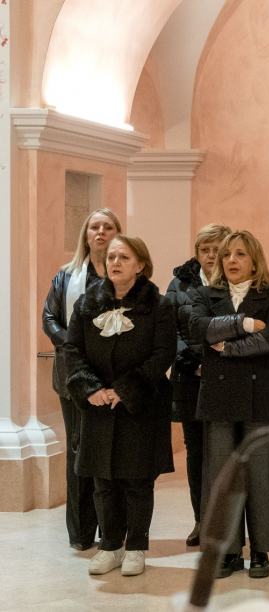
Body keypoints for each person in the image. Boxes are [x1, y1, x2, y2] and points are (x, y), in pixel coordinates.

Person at [63, 235, 175, 576]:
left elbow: (162, 354)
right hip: (97, 406)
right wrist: (92, 389)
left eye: (124, 257)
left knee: (137, 480)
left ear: (140, 264)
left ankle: (137, 546)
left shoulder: (159, 305)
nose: (115, 263)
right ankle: (110, 545)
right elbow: (72, 350)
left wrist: (124, 390)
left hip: (139, 405)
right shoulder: (87, 303)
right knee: (103, 480)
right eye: (111, 257)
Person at [189, 230, 269, 579]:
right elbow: (199, 328)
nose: (232, 260)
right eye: (227, 255)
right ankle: (227, 551)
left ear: (255, 260)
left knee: (262, 476)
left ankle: (260, 551)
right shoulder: (206, 294)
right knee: (222, 478)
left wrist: (229, 347)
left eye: (240, 254)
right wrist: (244, 324)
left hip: (262, 397)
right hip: (219, 400)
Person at [42, 207, 122, 551]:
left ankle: (111, 529)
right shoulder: (66, 277)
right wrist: (74, 346)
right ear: (85, 235)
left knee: (108, 452)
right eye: (94, 227)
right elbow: (49, 318)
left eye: (107, 227)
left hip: (111, 378)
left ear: (117, 234)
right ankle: (80, 533)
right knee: (78, 450)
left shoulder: (125, 275)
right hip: (74, 377)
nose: (100, 233)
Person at [164, 223, 231, 547]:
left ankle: (224, 522)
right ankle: (200, 520)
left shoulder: (234, 280)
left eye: (216, 248)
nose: (209, 255)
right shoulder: (179, 284)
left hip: (226, 376)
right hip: (190, 377)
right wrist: (194, 360)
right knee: (196, 452)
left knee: (223, 451)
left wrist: (218, 361)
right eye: (204, 249)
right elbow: (169, 329)